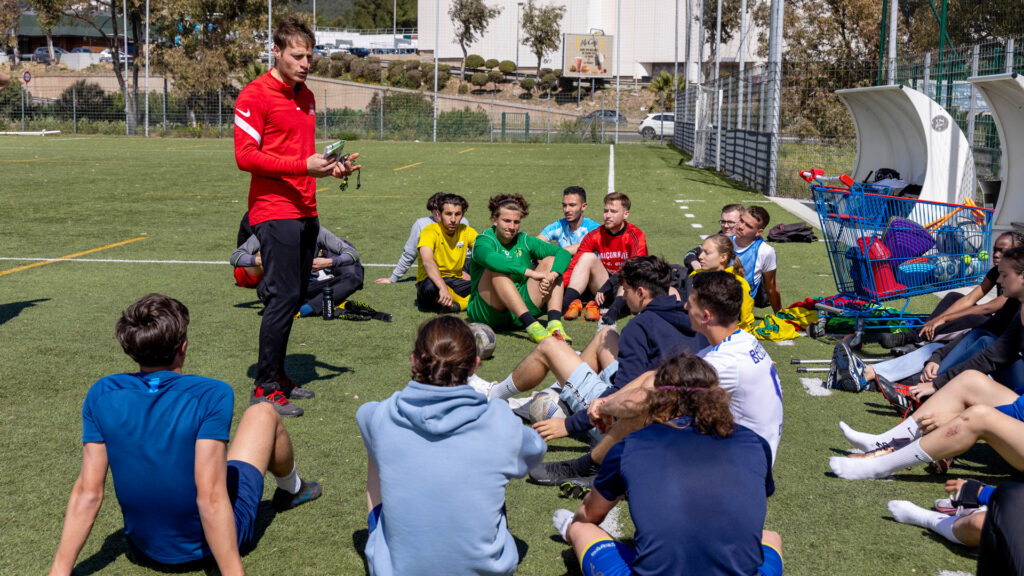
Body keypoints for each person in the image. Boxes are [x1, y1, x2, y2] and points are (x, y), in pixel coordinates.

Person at [48, 294, 321, 576]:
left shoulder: (102, 392)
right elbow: (211, 497)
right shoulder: (211, 393)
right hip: (206, 544)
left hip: (142, 547)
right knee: (263, 414)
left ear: (131, 349)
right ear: (183, 347)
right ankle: (292, 489)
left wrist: (58, 570)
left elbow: (88, 493)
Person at [528, 270, 782, 487]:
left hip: (737, 472)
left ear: (706, 316)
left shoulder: (723, 363)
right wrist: (607, 402)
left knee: (643, 409)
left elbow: (644, 397)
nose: (683, 306)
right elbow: (655, 375)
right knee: (649, 401)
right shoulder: (737, 341)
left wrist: (605, 406)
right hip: (745, 455)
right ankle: (606, 464)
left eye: (689, 303)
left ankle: (591, 466)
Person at [550, 352, 783, 576]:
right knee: (770, 537)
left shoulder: (630, 445)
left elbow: (590, 514)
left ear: (657, 398)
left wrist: (577, 525)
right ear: (717, 396)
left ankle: (570, 531)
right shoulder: (755, 442)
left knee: (580, 527)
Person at [234, 17, 360, 417]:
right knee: (282, 297)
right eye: (297, 55)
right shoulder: (254, 95)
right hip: (274, 211)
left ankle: (280, 375)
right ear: (277, 51)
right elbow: (245, 157)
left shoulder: (305, 95)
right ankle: (265, 387)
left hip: (307, 209)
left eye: (310, 56)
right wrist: (304, 167)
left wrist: (331, 167)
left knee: (290, 298)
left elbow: (304, 157)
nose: (306, 63)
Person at [356, 316, 546, 576]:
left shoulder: (379, 415)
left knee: (376, 445)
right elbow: (535, 450)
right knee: (495, 467)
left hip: (398, 571)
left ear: (414, 360)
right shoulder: (499, 420)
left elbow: (364, 414)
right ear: (474, 367)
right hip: (487, 571)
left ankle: (385, 540)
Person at [487, 256, 706, 446]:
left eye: (626, 291)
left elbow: (624, 394)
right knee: (606, 336)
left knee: (550, 346)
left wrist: (569, 425)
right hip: (674, 416)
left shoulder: (640, 326)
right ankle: (558, 394)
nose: (624, 298)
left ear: (641, 292)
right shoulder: (691, 318)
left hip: (626, 424)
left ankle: (493, 396)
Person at [879, 231, 1023, 349]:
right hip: (999, 322)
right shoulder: (995, 271)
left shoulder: (1020, 277)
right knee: (954, 297)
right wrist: (936, 320)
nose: (996, 254)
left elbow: (989, 307)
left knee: (975, 319)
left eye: (1002, 251)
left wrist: (944, 318)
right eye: (995, 250)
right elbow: (970, 298)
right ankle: (924, 332)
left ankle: (913, 340)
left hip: (1008, 334)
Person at [468, 193, 572, 343]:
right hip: (487, 312)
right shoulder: (483, 240)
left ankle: (555, 325)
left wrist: (553, 275)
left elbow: (562, 253)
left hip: (517, 312)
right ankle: (532, 326)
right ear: (494, 220)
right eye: (506, 221)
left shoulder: (524, 240)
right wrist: (530, 273)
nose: (512, 227)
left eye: (516, 222)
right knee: (496, 269)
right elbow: (490, 259)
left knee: (551, 261)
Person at [232, 215, 365, 319]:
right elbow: (235, 257)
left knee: (354, 279)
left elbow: (352, 254)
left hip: (309, 286)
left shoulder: (316, 230)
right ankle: (328, 301)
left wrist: (328, 262)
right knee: (264, 289)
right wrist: (259, 260)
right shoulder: (269, 229)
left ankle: (305, 309)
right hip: (284, 286)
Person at [561, 192, 648, 325]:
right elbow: (574, 264)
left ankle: (614, 312)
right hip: (604, 290)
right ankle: (562, 305)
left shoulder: (636, 235)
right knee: (586, 257)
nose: (607, 215)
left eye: (613, 211)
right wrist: (558, 287)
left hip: (628, 292)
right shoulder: (594, 235)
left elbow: (635, 268)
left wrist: (608, 285)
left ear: (626, 214)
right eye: (606, 211)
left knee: (628, 273)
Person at [377, 192, 469, 285]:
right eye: (434, 211)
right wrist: (393, 278)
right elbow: (409, 253)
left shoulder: (460, 222)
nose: (438, 214)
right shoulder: (421, 225)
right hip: (436, 269)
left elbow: (469, 254)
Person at [415, 194, 477, 313]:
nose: (453, 219)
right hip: (433, 282)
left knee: (491, 285)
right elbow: (427, 261)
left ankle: (457, 306)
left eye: (457, 214)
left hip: (456, 281)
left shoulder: (467, 231)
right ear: (438, 214)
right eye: (448, 214)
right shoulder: (429, 232)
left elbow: (485, 252)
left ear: (462, 215)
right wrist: (442, 287)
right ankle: (464, 301)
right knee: (430, 287)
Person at [691, 234, 755, 332]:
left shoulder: (738, 284)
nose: (700, 256)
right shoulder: (696, 275)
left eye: (707, 253)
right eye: (701, 252)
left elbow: (744, 321)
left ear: (723, 257)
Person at [733, 206, 781, 312]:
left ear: (759, 232)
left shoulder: (765, 251)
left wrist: (780, 315)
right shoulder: (723, 242)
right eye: (741, 220)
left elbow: (771, 287)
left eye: (748, 226)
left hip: (739, 310)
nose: (741, 226)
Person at [537, 186, 601, 257]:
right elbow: (536, 242)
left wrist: (554, 252)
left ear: (583, 206)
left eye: (572, 205)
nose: (567, 210)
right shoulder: (559, 225)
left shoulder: (593, 228)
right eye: (564, 205)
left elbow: (583, 246)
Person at [684, 203, 744, 274]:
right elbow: (691, 253)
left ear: (741, 222)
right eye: (723, 222)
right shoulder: (718, 239)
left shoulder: (751, 243)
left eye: (730, 222)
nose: (726, 226)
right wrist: (693, 261)